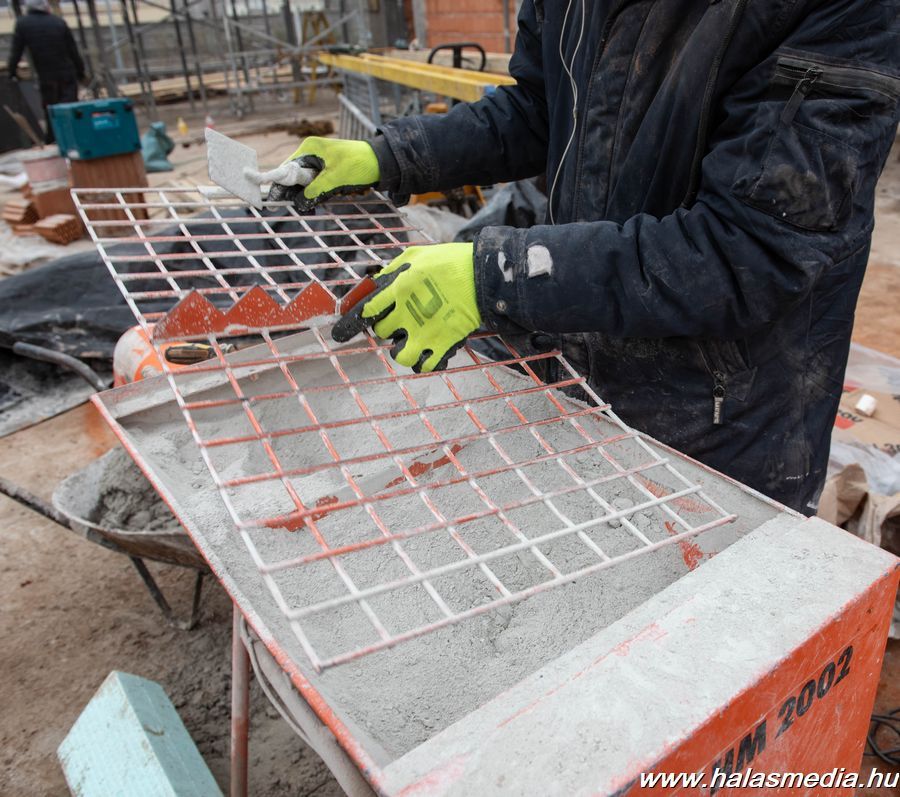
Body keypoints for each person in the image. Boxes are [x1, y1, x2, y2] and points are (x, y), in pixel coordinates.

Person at [253, 0, 899, 515]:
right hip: (582, 361)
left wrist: (499, 276)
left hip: (720, 420)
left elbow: (746, 252)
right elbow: (540, 108)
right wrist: (390, 156)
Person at [7, 0, 85, 144]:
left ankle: (53, 140)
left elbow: (16, 51)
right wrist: (81, 71)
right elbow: (73, 51)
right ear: (46, 7)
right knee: (69, 106)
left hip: (46, 75)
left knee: (51, 109)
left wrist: (11, 72)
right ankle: (74, 137)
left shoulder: (23, 24)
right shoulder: (58, 22)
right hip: (66, 73)